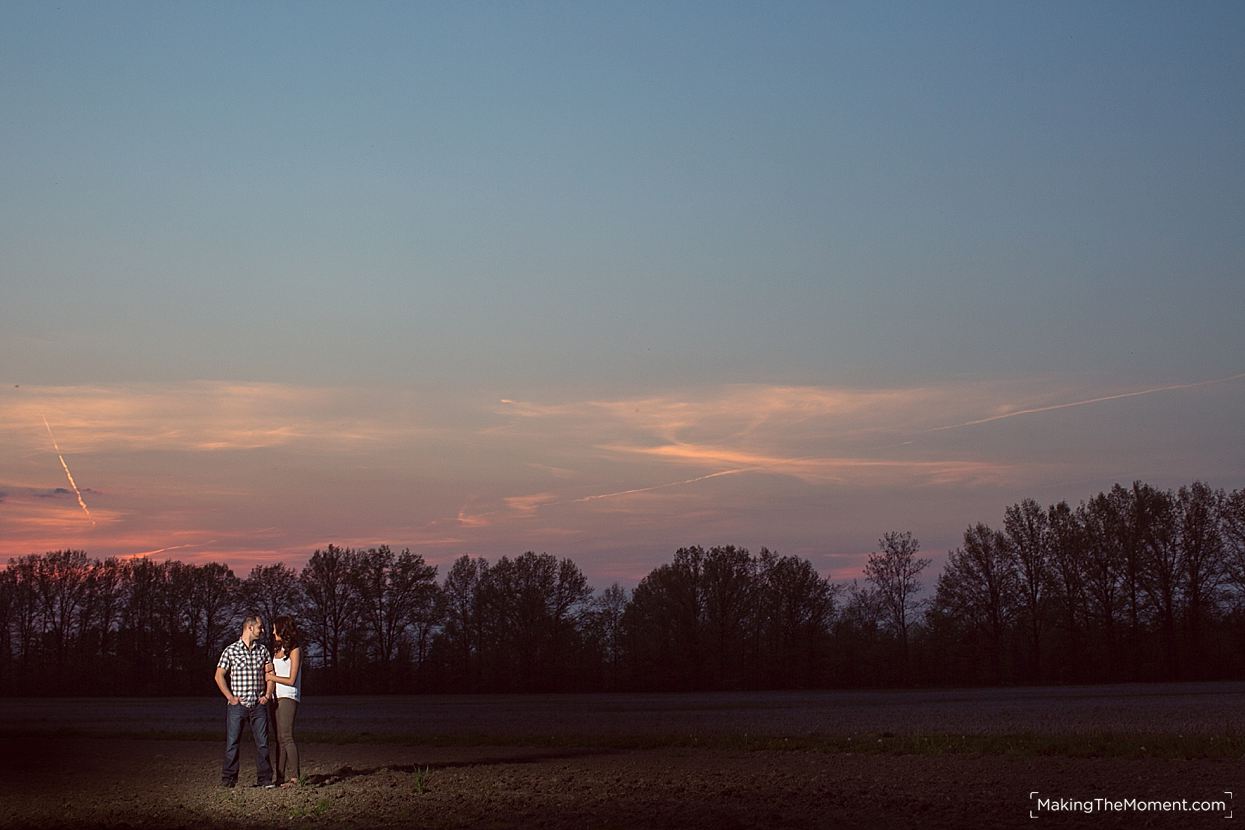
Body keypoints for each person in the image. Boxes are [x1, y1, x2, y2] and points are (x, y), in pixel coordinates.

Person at [214, 615, 275, 788]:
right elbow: (219, 676)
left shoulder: (263, 650)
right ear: (250, 627)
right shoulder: (230, 650)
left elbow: (269, 676)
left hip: (258, 705)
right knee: (232, 743)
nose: (262, 630)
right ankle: (229, 780)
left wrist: (267, 695)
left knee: (263, 744)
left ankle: (265, 780)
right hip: (237, 706)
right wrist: (230, 697)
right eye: (260, 627)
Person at [265, 615, 303, 787]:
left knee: (287, 737)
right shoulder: (276, 650)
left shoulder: (295, 650)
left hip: (288, 696)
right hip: (275, 697)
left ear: (282, 629)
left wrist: (272, 676)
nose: (272, 632)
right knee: (279, 739)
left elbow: (291, 679)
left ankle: (295, 778)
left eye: (274, 629)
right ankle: (279, 778)